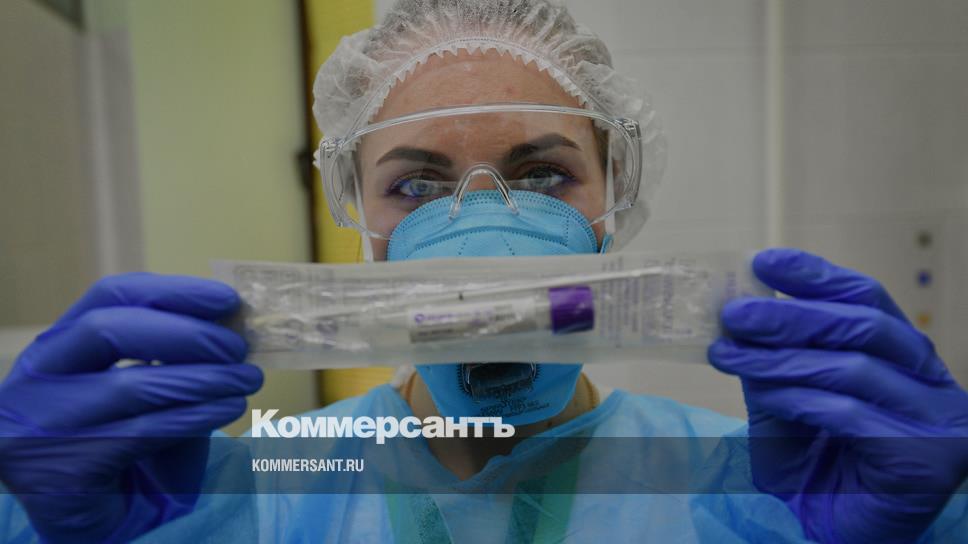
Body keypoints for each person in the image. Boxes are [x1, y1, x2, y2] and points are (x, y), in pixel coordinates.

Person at [1, 1, 966, 542]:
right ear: (360, 220)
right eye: (416, 187)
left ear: (613, 203)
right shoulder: (263, 491)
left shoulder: (749, 491)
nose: (482, 230)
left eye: (542, 176)